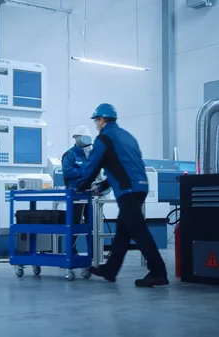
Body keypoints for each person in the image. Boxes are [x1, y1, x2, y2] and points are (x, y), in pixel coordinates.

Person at [75, 103, 169, 287]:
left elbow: (92, 166)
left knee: (138, 231)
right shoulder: (127, 137)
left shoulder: (105, 138)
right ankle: (110, 270)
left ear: (102, 120)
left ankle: (158, 272)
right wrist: (100, 188)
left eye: (96, 121)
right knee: (123, 231)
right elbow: (122, 166)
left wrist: (80, 187)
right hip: (140, 187)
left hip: (128, 190)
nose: (96, 125)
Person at [61, 125, 93, 255]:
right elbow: (67, 172)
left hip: (88, 194)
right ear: (76, 137)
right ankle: (71, 251)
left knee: (91, 223)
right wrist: (85, 171)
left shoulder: (88, 155)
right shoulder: (70, 154)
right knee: (75, 222)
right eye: (81, 137)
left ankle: (92, 250)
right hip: (75, 194)